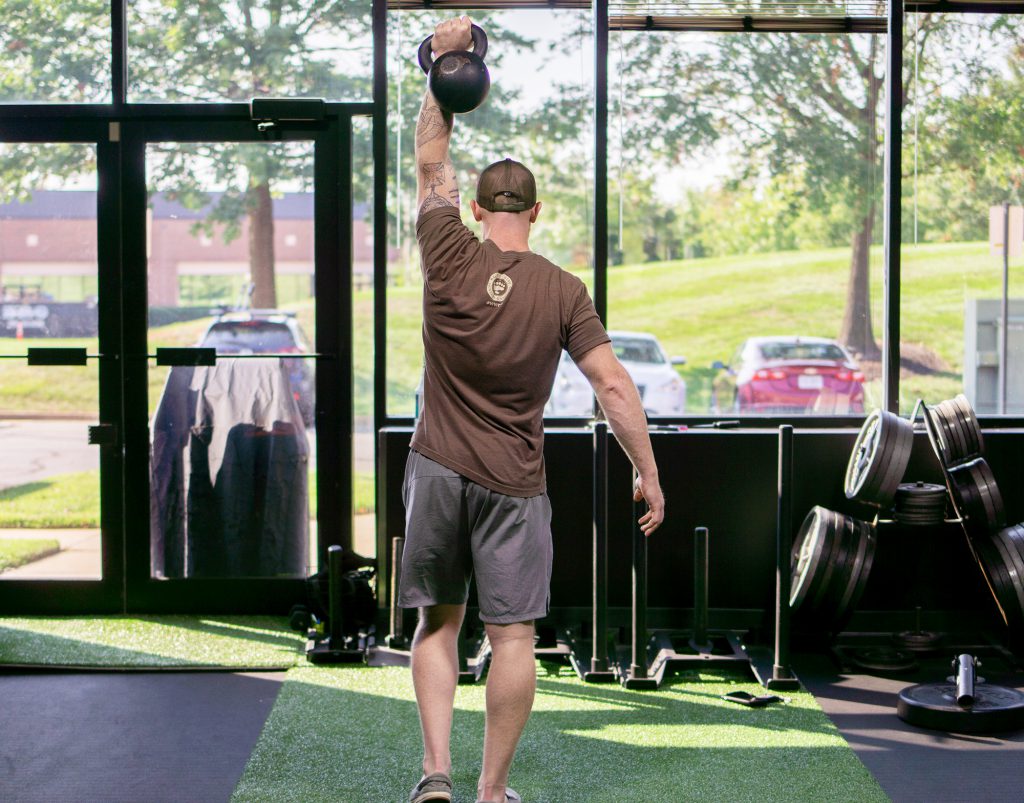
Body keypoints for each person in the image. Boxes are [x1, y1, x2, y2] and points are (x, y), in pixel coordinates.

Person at [401, 16, 665, 803]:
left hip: (437, 467)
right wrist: (648, 472)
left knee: (438, 624)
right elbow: (615, 385)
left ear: (476, 208)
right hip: (515, 485)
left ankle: (436, 775)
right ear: (536, 211)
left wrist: (446, 65)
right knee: (513, 636)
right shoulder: (562, 289)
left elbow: (428, 158)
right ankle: (490, 793)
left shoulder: (445, 247)